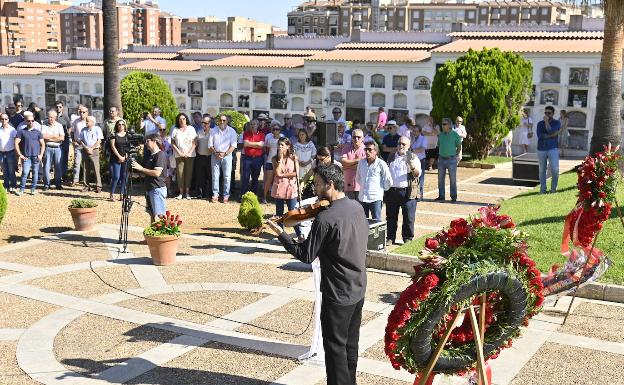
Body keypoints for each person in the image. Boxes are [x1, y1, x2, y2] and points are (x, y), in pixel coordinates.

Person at [265, 164, 368, 385]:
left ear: (330, 184)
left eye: (318, 184)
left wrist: (281, 233)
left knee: (335, 351)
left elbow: (305, 255)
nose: (316, 188)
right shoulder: (356, 207)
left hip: (337, 293)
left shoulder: (325, 218)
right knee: (350, 347)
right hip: (358, 288)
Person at [386, 136, 421, 245]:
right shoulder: (391, 156)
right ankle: (390, 238)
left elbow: (417, 174)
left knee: (408, 218)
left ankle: (407, 238)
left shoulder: (413, 157)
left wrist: (412, 166)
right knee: (391, 217)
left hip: (408, 192)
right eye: (399, 143)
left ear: (408, 146)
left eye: (403, 144)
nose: (400, 146)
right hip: (392, 191)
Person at [132, 134, 167, 223]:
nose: (146, 143)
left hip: (157, 189)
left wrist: (141, 168)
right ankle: (153, 235)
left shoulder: (160, 155)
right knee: (152, 214)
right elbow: (148, 172)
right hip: (150, 189)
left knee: (159, 216)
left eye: (148, 141)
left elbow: (157, 173)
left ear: (154, 141)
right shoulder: (151, 155)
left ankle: (161, 236)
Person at [271, 137, 301, 238]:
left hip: (291, 189)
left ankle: (299, 234)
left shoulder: (293, 158)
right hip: (279, 188)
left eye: (282, 145)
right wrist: (280, 159)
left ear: (288, 146)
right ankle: (281, 235)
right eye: (279, 145)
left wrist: (283, 175)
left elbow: (296, 173)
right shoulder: (274, 158)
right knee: (279, 214)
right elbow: (277, 172)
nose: (280, 147)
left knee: (293, 213)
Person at [356, 141, 392, 221]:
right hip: (362, 198)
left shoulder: (381, 164)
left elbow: (388, 180)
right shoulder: (361, 163)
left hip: (375, 199)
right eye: (365, 149)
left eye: (370, 149)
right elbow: (358, 178)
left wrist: (380, 191)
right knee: (362, 222)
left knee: (376, 223)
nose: (367, 151)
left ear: (376, 151)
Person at [209, 114, 237, 203]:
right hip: (215, 155)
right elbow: (210, 145)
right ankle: (215, 194)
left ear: (227, 121)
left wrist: (225, 153)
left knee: (227, 176)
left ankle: (226, 195)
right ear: (218, 121)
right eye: (220, 120)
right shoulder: (213, 130)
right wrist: (216, 153)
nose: (222, 122)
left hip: (227, 155)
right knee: (215, 176)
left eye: (224, 120)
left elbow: (233, 145)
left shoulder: (232, 131)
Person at [14, 112, 44, 196]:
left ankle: (33, 189)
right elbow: (16, 143)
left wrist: (41, 154)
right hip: (26, 157)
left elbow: (43, 144)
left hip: (36, 157)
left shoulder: (38, 132)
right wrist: (20, 155)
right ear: (25, 121)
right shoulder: (21, 131)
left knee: (35, 174)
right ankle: (21, 190)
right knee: (25, 173)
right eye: (28, 121)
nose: (30, 122)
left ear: (34, 121)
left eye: (32, 120)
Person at [170, 113, 197, 200]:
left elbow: (195, 142)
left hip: (190, 155)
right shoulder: (175, 129)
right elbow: (173, 143)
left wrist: (189, 152)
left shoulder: (191, 128)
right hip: (179, 155)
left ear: (186, 119)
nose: (182, 120)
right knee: (180, 174)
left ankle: (187, 193)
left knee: (189, 173)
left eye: (184, 118)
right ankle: (181, 193)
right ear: (178, 120)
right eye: (180, 119)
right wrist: (179, 152)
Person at [435, 118, 462, 203]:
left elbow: (459, 147)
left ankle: (453, 197)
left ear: (449, 125)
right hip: (441, 159)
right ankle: (441, 196)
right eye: (442, 124)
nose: (442, 126)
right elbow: (439, 145)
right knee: (440, 179)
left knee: (453, 179)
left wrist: (455, 155)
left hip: (451, 160)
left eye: (444, 124)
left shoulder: (455, 135)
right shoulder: (441, 135)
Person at [537, 106, 561, 194]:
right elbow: (540, 136)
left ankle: (553, 189)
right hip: (541, 149)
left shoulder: (557, 123)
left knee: (555, 169)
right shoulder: (539, 124)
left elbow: (550, 131)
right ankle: (543, 189)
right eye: (545, 113)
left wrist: (547, 122)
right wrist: (552, 135)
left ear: (553, 114)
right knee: (542, 170)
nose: (547, 114)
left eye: (549, 113)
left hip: (553, 148)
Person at [41, 110, 65, 190]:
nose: (50, 119)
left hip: (57, 148)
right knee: (46, 167)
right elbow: (43, 136)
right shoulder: (44, 124)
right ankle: (46, 184)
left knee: (58, 167)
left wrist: (50, 137)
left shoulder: (59, 126)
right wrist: (55, 137)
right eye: (49, 117)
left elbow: (62, 138)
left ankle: (58, 184)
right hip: (47, 148)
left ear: (55, 117)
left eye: (52, 117)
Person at [241, 119, 265, 197]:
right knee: (245, 177)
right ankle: (244, 195)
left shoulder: (262, 134)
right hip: (247, 158)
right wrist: (257, 144)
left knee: (255, 178)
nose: (253, 125)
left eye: (255, 124)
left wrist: (250, 144)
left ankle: (253, 195)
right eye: (251, 124)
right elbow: (245, 144)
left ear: (258, 125)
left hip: (257, 159)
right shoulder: (246, 133)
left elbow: (261, 145)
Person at [79, 116, 103, 193]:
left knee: (96, 168)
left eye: (88, 121)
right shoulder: (83, 130)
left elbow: (99, 140)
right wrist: (86, 148)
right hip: (85, 150)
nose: (86, 122)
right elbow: (81, 140)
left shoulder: (97, 129)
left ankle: (98, 186)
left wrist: (91, 148)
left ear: (93, 122)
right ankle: (86, 186)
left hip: (94, 150)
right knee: (86, 168)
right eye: (86, 121)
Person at [341, 128, 366, 200]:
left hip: (361, 186)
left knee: (361, 210)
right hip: (348, 185)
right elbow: (343, 162)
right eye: (354, 137)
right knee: (349, 210)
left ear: (363, 138)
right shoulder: (346, 148)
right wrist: (358, 160)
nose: (356, 139)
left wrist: (347, 167)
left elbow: (362, 167)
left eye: (359, 137)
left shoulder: (366, 150)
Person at [109, 119, 129, 201]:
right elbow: (113, 147)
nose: (121, 126)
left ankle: (122, 194)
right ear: (117, 126)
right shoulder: (113, 135)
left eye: (122, 124)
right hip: (115, 158)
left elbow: (129, 146)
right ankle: (112, 193)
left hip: (125, 158)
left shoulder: (127, 135)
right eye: (119, 124)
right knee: (116, 176)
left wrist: (125, 156)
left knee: (124, 176)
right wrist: (119, 157)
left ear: (125, 126)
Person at [70, 105, 89, 187]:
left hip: (87, 145)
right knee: (77, 163)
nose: (81, 113)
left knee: (86, 164)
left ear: (87, 113)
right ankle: (75, 180)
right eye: (80, 112)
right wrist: (73, 141)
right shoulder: (76, 121)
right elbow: (72, 131)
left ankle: (85, 182)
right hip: (78, 144)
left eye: (83, 112)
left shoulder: (90, 121)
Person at [263, 122, 282, 203]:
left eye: (277, 129)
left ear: (279, 130)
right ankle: (264, 197)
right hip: (270, 162)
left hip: (280, 163)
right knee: (268, 180)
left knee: (278, 180)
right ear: (272, 131)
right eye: (274, 129)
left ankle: (277, 197)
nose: (275, 131)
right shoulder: (270, 140)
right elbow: (266, 150)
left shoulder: (282, 139)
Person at [194, 115, 213, 199]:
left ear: (209, 123)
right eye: (203, 122)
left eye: (206, 123)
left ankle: (210, 193)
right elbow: (195, 144)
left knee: (210, 176)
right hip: (200, 157)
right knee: (200, 176)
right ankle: (201, 193)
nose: (204, 124)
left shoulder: (213, 132)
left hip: (210, 157)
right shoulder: (199, 132)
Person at [54, 101, 72, 181]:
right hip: (55, 140)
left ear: (62, 107)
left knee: (64, 158)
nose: (58, 108)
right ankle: (57, 176)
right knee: (56, 159)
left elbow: (69, 126)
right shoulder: (53, 116)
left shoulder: (65, 116)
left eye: (60, 107)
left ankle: (64, 175)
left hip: (64, 140)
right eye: (57, 107)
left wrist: (68, 134)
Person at [0, 113, 17, 192]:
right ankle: (6, 185)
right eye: (2, 119)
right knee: (5, 171)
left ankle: (13, 185)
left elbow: (16, 142)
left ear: (8, 120)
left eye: (5, 119)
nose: (4, 120)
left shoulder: (12, 130)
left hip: (10, 152)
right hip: (1, 153)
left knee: (11, 170)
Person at [410, 124, 427, 198]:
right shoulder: (412, 139)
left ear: (420, 132)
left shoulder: (423, 139)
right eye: (413, 131)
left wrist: (412, 150)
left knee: (420, 178)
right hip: (413, 161)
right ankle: (413, 194)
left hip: (421, 160)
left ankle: (420, 195)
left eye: (416, 131)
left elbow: (422, 149)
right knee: (413, 178)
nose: (414, 132)